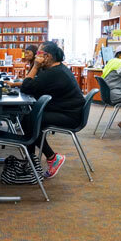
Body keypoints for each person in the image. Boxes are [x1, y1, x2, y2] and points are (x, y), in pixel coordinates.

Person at [19, 41, 85, 178]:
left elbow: (26, 87)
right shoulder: (56, 69)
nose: (36, 56)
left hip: (70, 116)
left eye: (38, 53)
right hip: (66, 111)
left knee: (30, 120)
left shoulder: (54, 73)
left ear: (47, 56)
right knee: (29, 118)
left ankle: (50, 158)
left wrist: (36, 66)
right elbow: (33, 87)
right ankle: (31, 161)